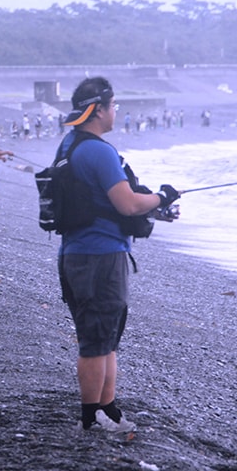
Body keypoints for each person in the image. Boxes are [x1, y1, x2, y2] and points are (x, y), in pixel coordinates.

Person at [56, 77, 180, 432]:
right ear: (98, 110)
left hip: (78, 255)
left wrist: (155, 208)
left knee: (105, 336)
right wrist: (161, 197)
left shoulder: (70, 145)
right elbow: (127, 204)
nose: (116, 112)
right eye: (113, 106)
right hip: (100, 258)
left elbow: (99, 202)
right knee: (96, 341)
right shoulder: (98, 150)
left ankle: (108, 410)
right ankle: (90, 419)